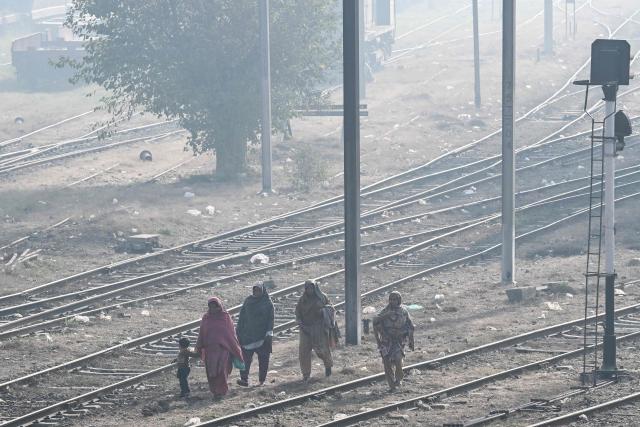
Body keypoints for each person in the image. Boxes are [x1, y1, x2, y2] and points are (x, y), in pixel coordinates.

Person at [195, 296, 244, 399]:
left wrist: (234, 347)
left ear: (219, 306)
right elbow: (202, 333)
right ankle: (215, 391)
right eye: (211, 307)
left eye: (215, 306)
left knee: (221, 370)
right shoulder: (206, 318)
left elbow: (230, 334)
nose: (213, 309)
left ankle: (221, 391)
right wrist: (199, 347)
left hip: (223, 349)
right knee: (211, 372)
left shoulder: (225, 317)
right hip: (210, 350)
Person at [373, 291, 415, 391]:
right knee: (387, 364)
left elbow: (410, 325)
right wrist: (386, 315)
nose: (392, 301)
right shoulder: (385, 311)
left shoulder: (404, 311)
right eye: (391, 299)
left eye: (395, 299)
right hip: (386, 341)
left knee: (398, 359)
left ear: (399, 300)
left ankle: (399, 378)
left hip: (399, 341)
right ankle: (391, 385)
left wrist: (411, 341)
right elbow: (375, 321)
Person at [295, 280, 335, 381]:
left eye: (312, 288)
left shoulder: (322, 297)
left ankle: (328, 368)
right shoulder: (302, 300)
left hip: (319, 328)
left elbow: (331, 308)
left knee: (322, 350)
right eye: (308, 288)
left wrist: (323, 311)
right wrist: (300, 323)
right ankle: (306, 375)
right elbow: (297, 312)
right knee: (304, 352)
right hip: (305, 329)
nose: (310, 290)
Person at [236, 282, 275, 387]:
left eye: (258, 290)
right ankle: (244, 379)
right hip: (248, 336)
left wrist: (269, 332)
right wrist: (238, 332)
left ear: (262, 291)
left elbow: (271, 319)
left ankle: (262, 380)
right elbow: (242, 318)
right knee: (245, 359)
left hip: (262, 337)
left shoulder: (267, 303)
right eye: (255, 290)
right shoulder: (248, 301)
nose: (256, 292)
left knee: (263, 360)